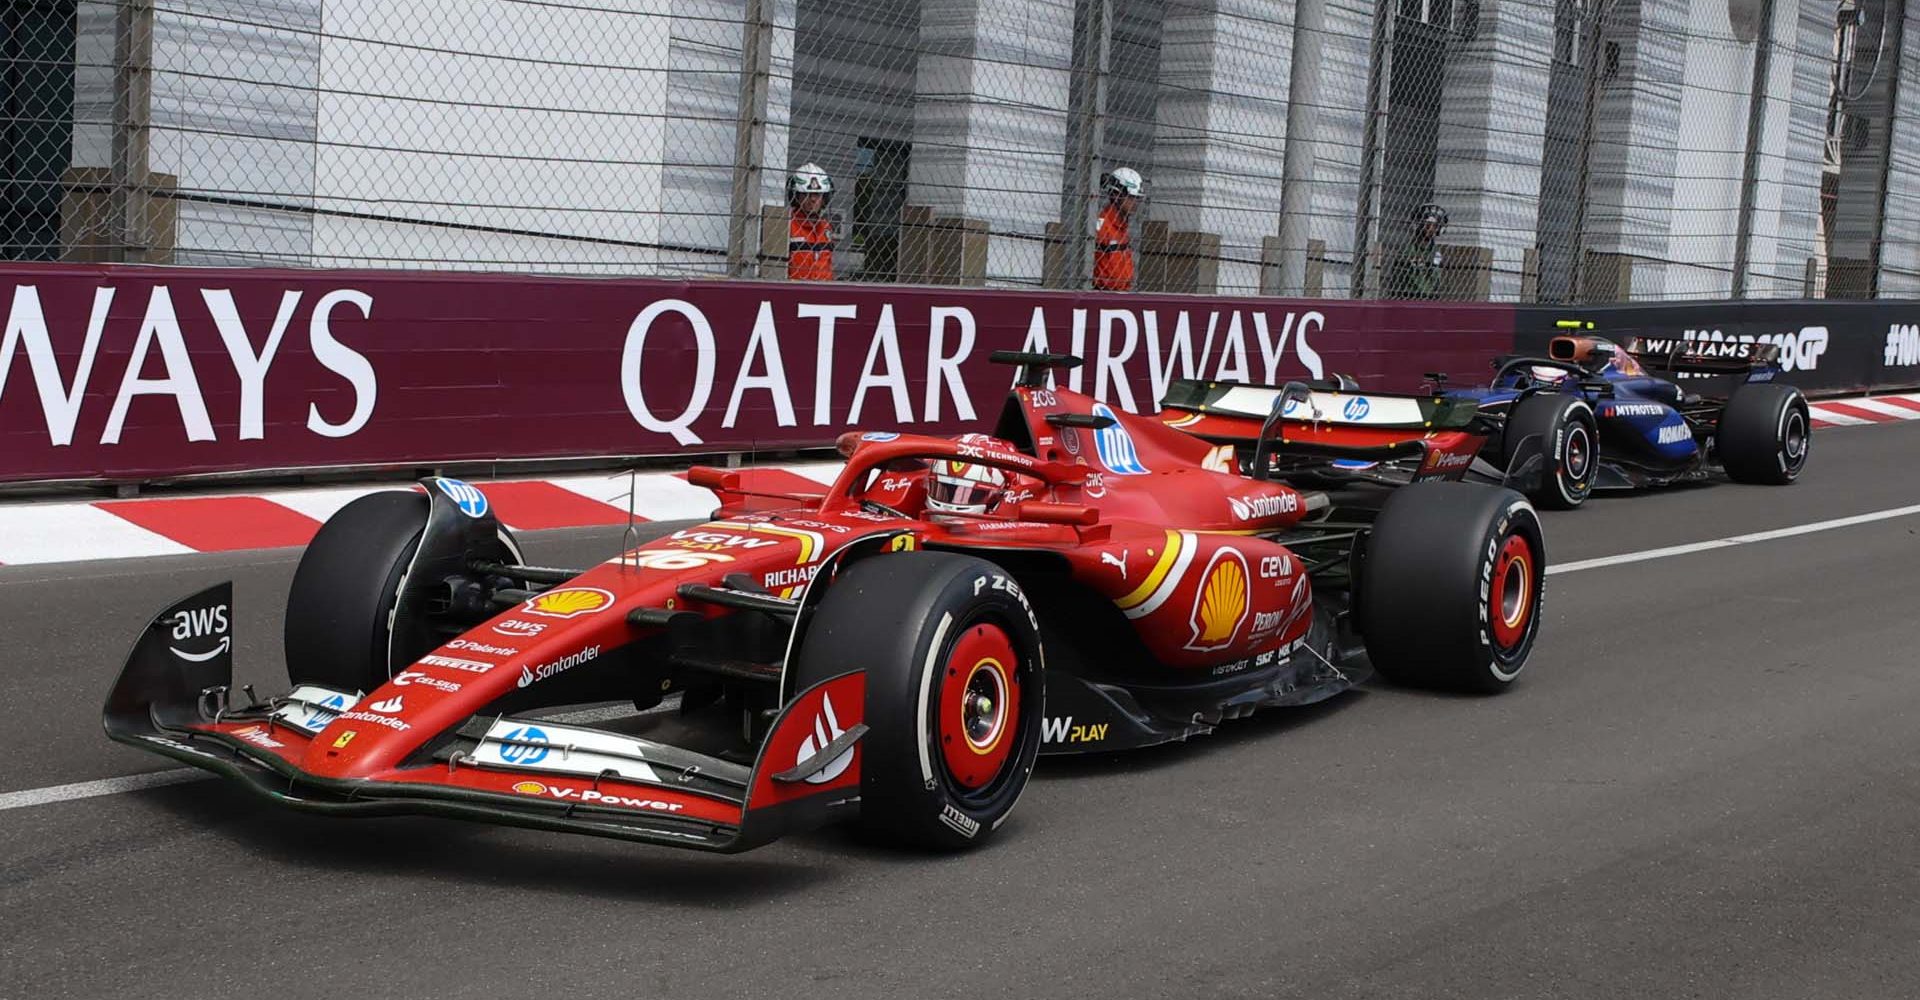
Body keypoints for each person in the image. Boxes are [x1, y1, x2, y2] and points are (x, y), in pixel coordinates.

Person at [1092, 167, 1144, 292]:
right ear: (1116, 195)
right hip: (1102, 293)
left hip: (1122, 293)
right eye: (1131, 197)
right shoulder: (1101, 225)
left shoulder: (1122, 226)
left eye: (1137, 198)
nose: (1135, 202)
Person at [787, 163, 836, 282]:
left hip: (823, 292)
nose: (813, 199)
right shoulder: (787, 224)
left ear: (824, 198)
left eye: (817, 194)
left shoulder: (826, 227)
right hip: (794, 292)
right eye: (806, 194)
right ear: (796, 197)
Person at [1393, 202, 1448, 299]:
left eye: (1435, 226)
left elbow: (1436, 280)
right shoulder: (1407, 249)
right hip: (1408, 296)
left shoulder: (1435, 252)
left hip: (1430, 297)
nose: (1431, 229)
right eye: (1427, 225)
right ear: (1418, 225)